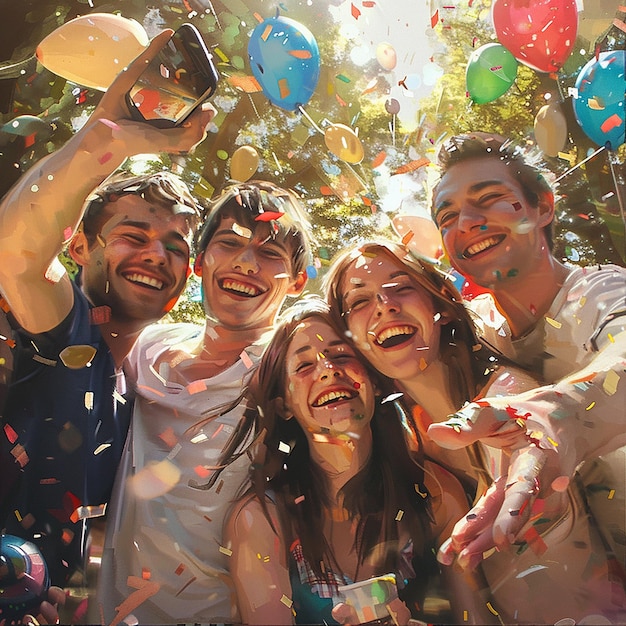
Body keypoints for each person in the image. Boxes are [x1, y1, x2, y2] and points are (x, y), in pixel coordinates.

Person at [0, 27, 214, 591]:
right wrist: (106, 144)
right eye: (133, 233)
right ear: (78, 247)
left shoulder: (134, 389)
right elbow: (16, 257)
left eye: (175, 247)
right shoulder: (58, 324)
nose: (155, 255)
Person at [323, 239, 626, 623]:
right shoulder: (404, 443)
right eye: (359, 302)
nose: (384, 304)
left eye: (401, 287)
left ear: (442, 309)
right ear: (350, 338)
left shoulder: (508, 398)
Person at [94, 180, 311, 625]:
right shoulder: (146, 347)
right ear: (199, 262)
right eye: (229, 243)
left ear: (298, 281)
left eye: (271, 255)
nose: (246, 263)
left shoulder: (289, 370)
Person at [425, 133, 626, 596]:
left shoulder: (600, 292)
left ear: (543, 208)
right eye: (447, 216)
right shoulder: (474, 332)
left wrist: (559, 412)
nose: (466, 222)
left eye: (490, 199)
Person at [224, 298, 493, 625]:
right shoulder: (261, 520)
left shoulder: (434, 494)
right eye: (304, 366)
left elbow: (479, 619)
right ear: (284, 406)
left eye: (341, 356)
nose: (327, 370)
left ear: (375, 382)